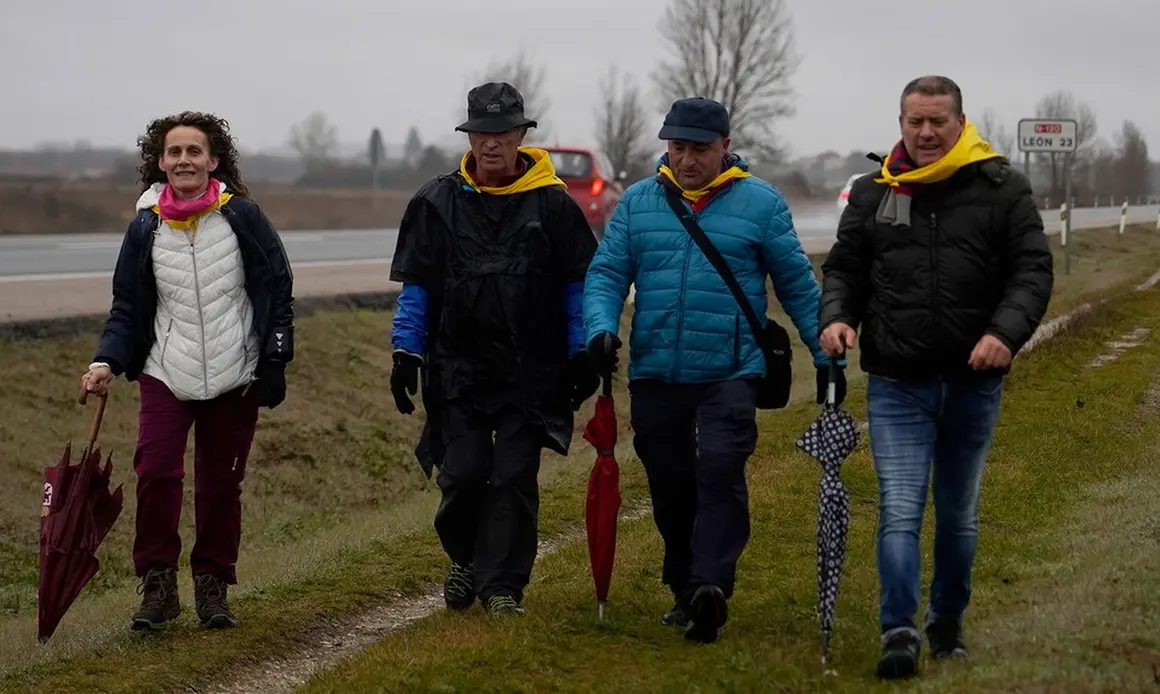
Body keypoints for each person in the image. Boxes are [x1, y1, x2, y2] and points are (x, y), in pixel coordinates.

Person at [819, 75, 1053, 679]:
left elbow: (1031, 271)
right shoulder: (874, 194)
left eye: (938, 122)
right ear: (900, 124)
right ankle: (898, 630)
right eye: (915, 121)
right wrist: (839, 318)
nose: (926, 132)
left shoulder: (1002, 189)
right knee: (899, 506)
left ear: (960, 123)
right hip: (898, 381)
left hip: (973, 382)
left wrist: (1003, 334)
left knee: (957, 512)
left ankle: (945, 624)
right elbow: (844, 269)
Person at [583, 97, 837, 644]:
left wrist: (825, 357)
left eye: (699, 148)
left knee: (720, 469)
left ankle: (710, 588)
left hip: (730, 369)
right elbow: (606, 274)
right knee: (671, 484)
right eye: (677, 147)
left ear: (725, 145)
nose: (687, 158)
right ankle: (684, 588)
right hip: (656, 370)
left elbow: (796, 284)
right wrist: (600, 328)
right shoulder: (638, 204)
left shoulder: (761, 205)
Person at [388, 82, 599, 616]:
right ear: (470, 137)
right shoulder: (436, 202)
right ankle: (464, 557)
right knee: (462, 472)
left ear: (521, 135)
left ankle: (502, 583)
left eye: (502, 133)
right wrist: (405, 352)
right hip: (458, 367)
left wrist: (582, 352)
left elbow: (576, 287)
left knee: (512, 476)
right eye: (481, 134)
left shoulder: (553, 206)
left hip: (532, 369)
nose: (491, 145)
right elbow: (419, 287)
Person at [80, 111, 295, 632]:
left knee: (221, 486)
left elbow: (277, 290)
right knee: (155, 473)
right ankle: (157, 585)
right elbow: (127, 307)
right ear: (160, 163)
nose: (184, 160)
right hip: (165, 371)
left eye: (194, 151)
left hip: (234, 371)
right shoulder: (145, 226)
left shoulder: (242, 217)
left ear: (213, 160)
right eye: (174, 152)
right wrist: (105, 361)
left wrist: (274, 357)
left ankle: (212, 585)